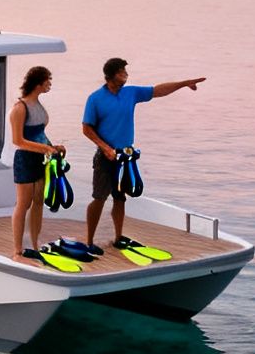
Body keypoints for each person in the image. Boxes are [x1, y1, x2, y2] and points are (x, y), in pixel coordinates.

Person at [81, 57, 205, 252]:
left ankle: (118, 237)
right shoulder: (95, 98)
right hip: (105, 157)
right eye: (122, 72)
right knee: (99, 198)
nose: (126, 75)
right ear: (112, 75)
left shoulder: (130, 93)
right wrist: (105, 148)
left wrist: (183, 84)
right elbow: (87, 129)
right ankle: (88, 242)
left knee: (120, 198)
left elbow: (158, 90)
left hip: (125, 157)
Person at [8, 66, 65, 264]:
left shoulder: (39, 105)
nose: (50, 84)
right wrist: (44, 149)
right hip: (25, 159)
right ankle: (17, 250)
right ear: (38, 83)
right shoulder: (19, 108)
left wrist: (52, 147)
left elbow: (40, 134)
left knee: (39, 203)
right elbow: (18, 140)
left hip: (42, 158)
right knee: (23, 204)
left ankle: (34, 245)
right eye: (47, 81)